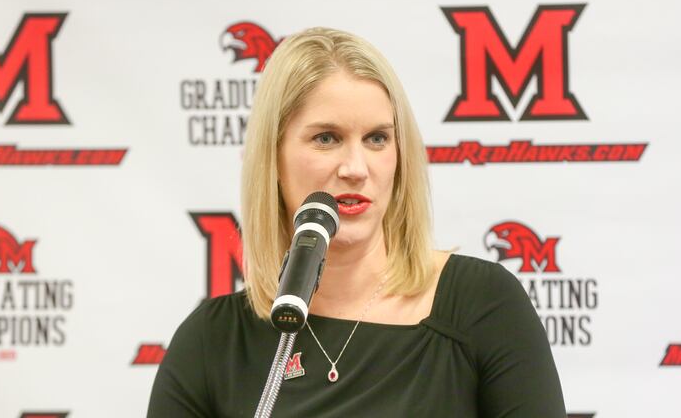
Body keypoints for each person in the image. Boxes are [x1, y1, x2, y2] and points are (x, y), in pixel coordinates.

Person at [147, 27, 566, 417]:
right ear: (272, 158)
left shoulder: (483, 305)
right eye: (326, 138)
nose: (355, 168)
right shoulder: (212, 342)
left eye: (377, 138)